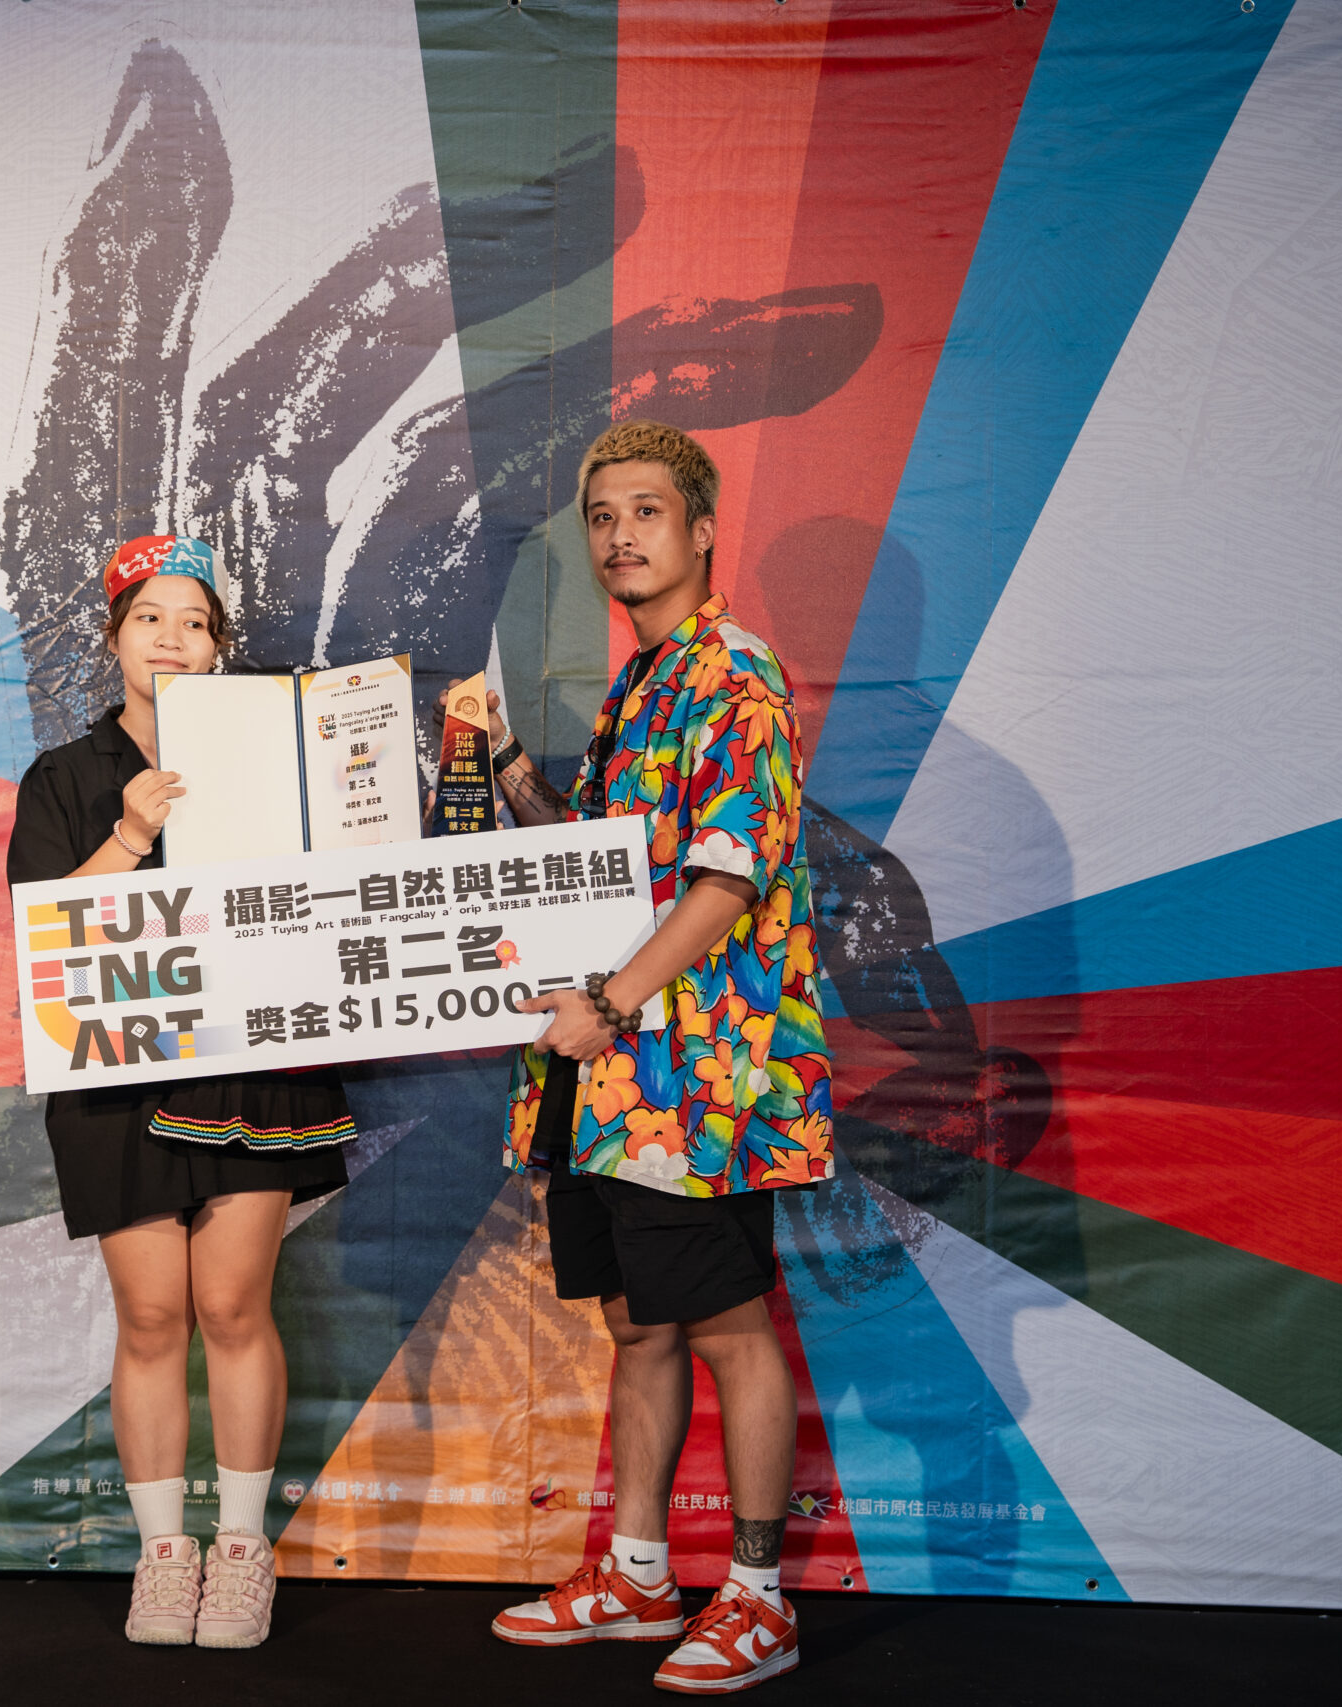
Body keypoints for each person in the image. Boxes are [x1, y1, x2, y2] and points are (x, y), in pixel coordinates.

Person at [478, 421, 834, 1695]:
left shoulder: (734, 675)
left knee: (730, 1327)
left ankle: (758, 1598)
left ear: (700, 530)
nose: (619, 536)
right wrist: (502, 765)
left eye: (644, 511)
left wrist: (608, 1004)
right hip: (611, 1081)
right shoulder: (641, 684)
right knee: (637, 1324)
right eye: (601, 516)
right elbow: (594, 863)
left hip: (699, 1079)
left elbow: (726, 878)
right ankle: (637, 1576)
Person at [5, 535, 358, 1651]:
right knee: (152, 1315)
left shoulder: (273, 761)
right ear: (113, 638)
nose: (172, 638)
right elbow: (41, 935)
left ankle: (242, 1549)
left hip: (252, 1064)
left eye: (195, 622)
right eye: (149, 617)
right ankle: (164, 1555)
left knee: (233, 1305)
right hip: (118, 1076)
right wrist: (132, 833)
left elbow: (343, 889)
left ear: (218, 647)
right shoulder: (64, 777)